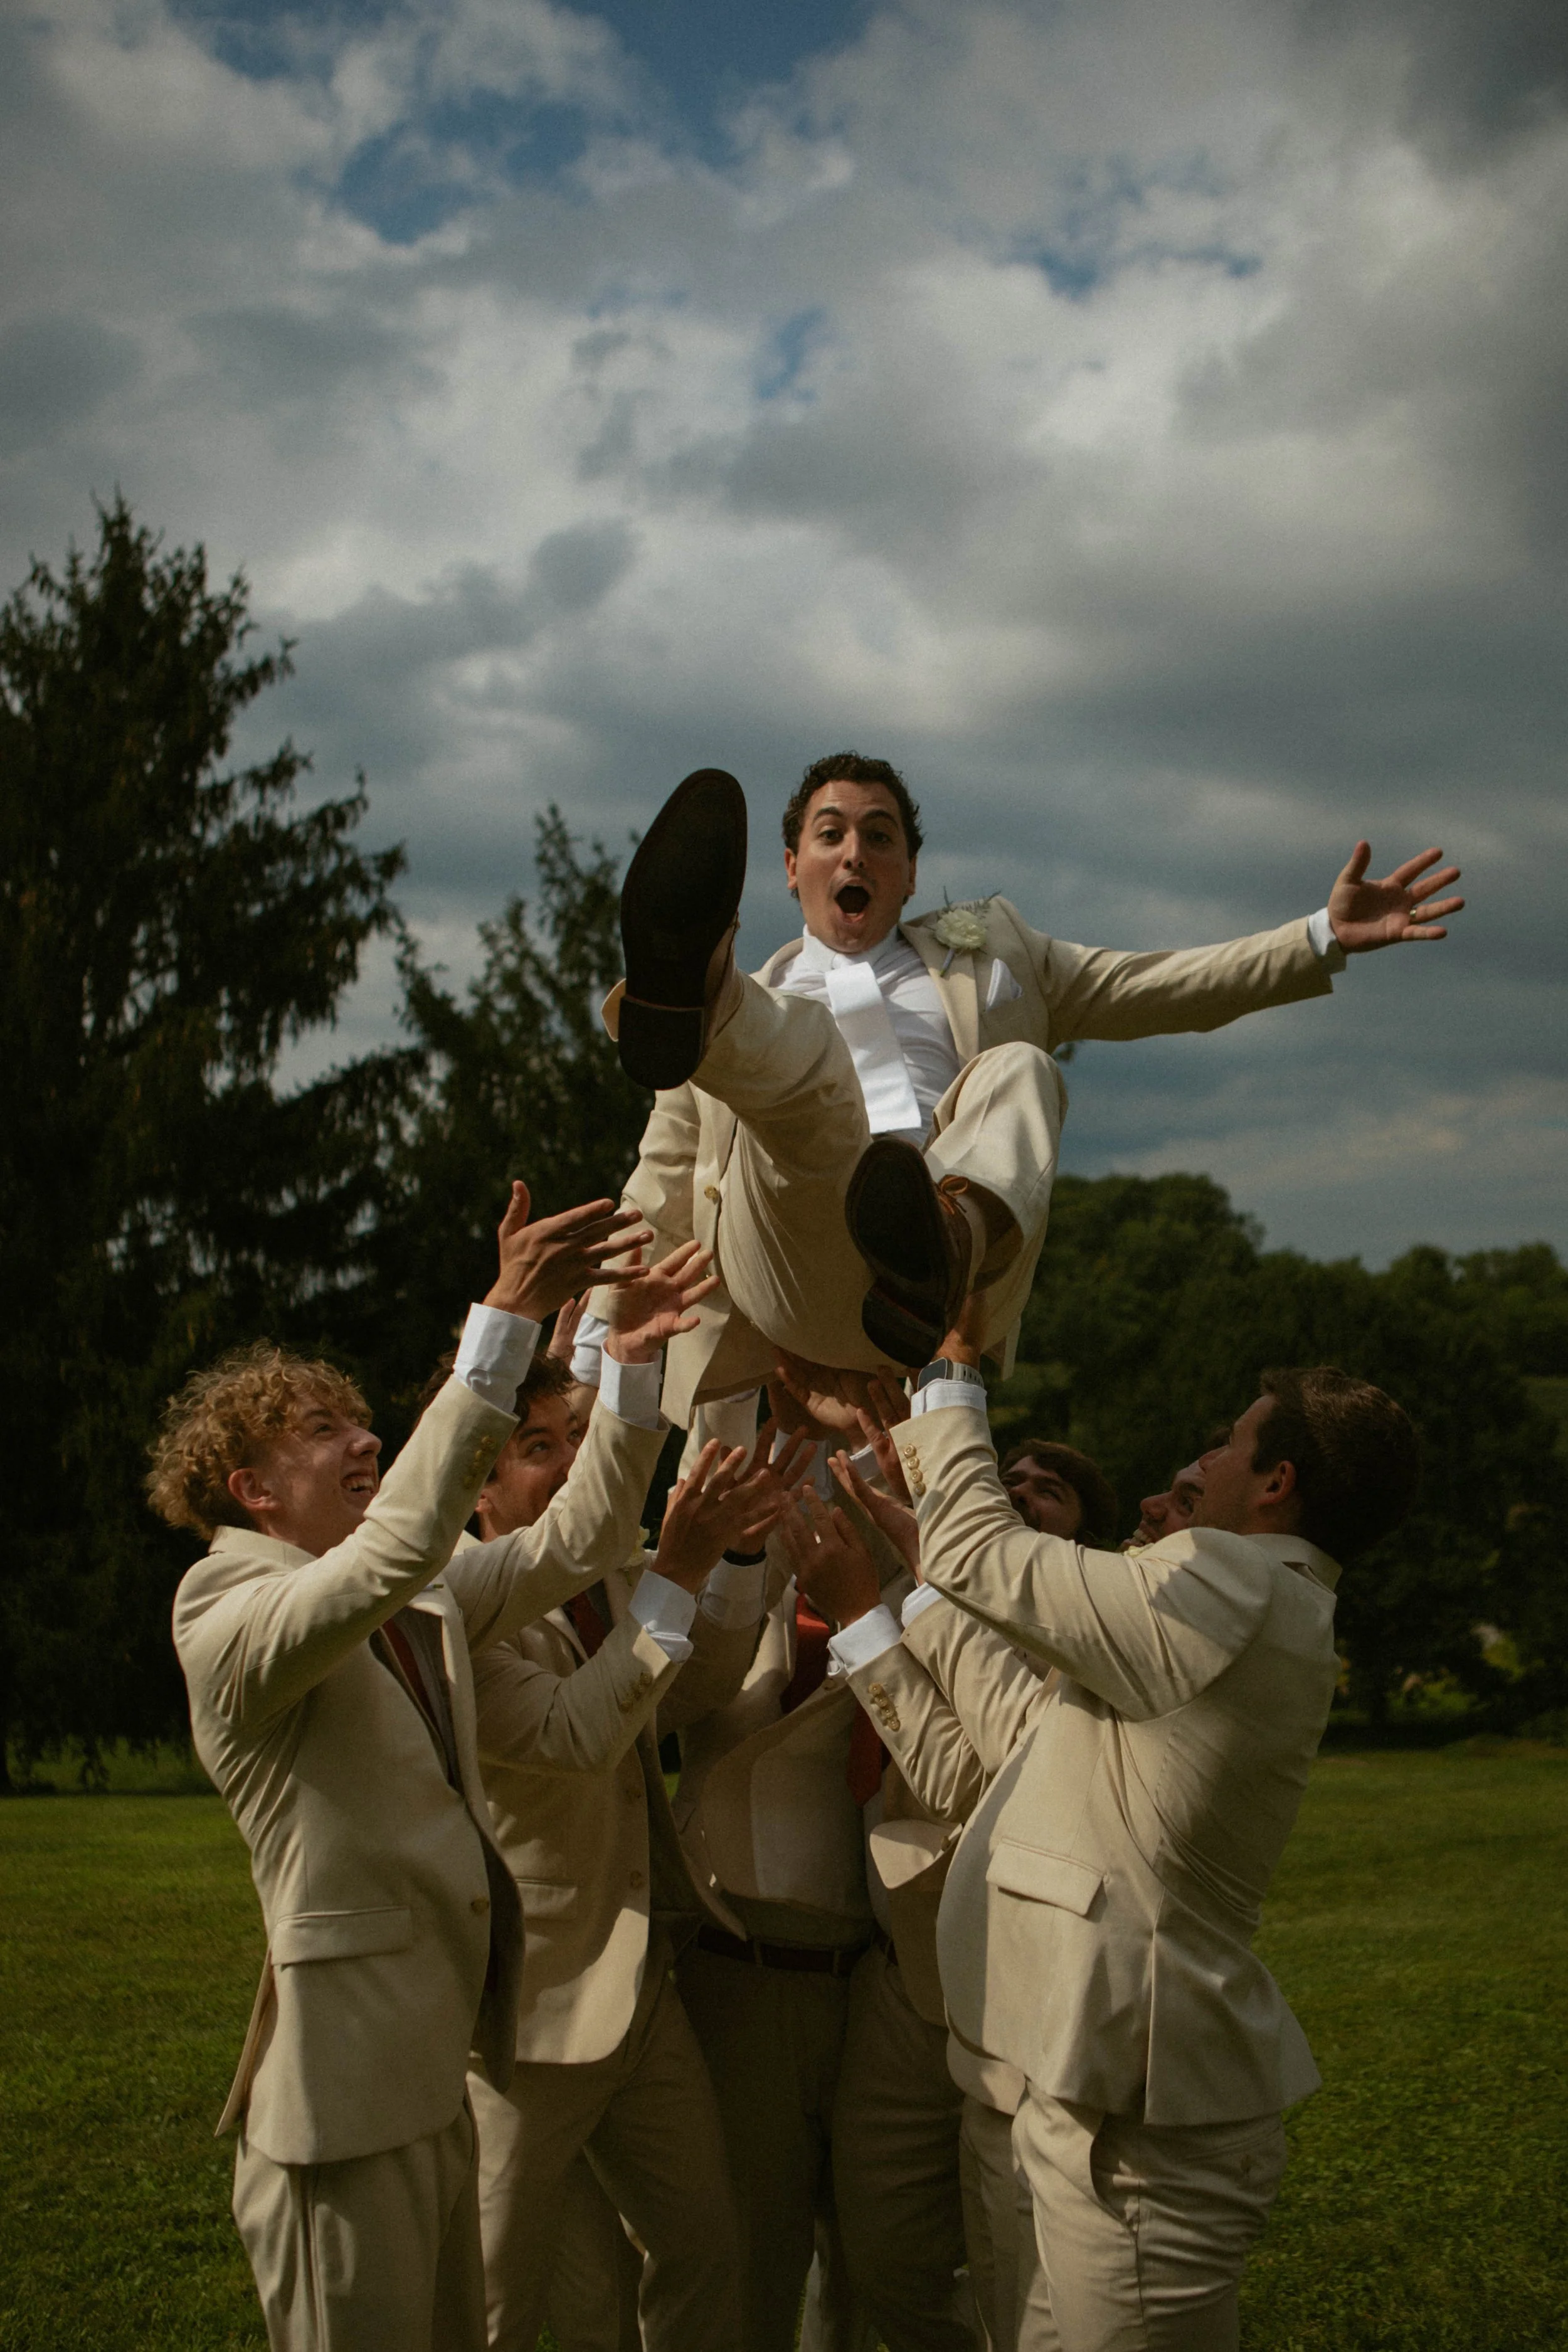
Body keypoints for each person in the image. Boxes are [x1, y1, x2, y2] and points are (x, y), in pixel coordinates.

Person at [156, 1183, 716, 2352]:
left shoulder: (411, 1594)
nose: (362, 1438)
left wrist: (631, 1372)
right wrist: (503, 1322)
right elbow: (400, 1542)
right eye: (320, 1430)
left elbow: (576, 1541)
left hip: (434, 2085)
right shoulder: (222, 1606)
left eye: (357, 1420)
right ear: (251, 1490)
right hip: (341, 2115)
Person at [824, 1351, 1419, 2351]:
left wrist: (951, 1367)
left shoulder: (1230, 1580)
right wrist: (913, 1564)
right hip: (1087, 2100)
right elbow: (1020, 1723)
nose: (1203, 1457)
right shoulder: (1239, 1604)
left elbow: (985, 1556)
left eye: (1228, 1441)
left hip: (1137, 2134)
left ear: (1277, 1482)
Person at [585, 754, 1463, 1410]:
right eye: (831, 833)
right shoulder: (771, 1008)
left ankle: (947, 1235)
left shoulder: (994, 947)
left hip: (930, 1289)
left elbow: (1159, 986)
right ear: (790, 867)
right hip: (790, 1259)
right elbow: (657, 1187)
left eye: (879, 835)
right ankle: (691, 989)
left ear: (911, 874)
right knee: (802, 1060)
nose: (856, 850)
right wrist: (586, 1357)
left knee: (1022, 1068)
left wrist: (1318, 936)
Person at [462, 1347, 814, 2352]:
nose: (577, 1461)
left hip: (642, 1988)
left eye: (581, 1436)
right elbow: (580, 1734)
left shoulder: (612, 1578)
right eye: (540, 1447)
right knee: (497, 2298)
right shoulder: (452, 1605)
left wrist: (736, 1551)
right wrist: (681, 1566)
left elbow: (694, 1686)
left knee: (706, 2251)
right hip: (522, 2015)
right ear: (478, 1486)